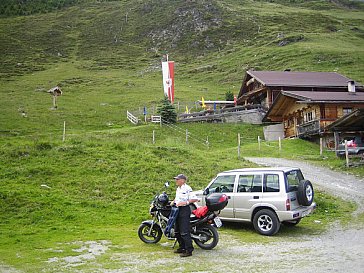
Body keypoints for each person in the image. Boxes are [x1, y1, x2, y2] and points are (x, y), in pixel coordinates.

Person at [172, 174, 198, 257]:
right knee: (177, 230)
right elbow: (178, 198)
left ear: (182, 180)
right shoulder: (178, 189)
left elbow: (194, 198)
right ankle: (181, 247)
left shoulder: (187, 188)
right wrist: (173, 201)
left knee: (184, 231)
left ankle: (189, 250)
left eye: (177, 179)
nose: (176, 181)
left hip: (184, 210)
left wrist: (185, 202)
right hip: (177, 210)